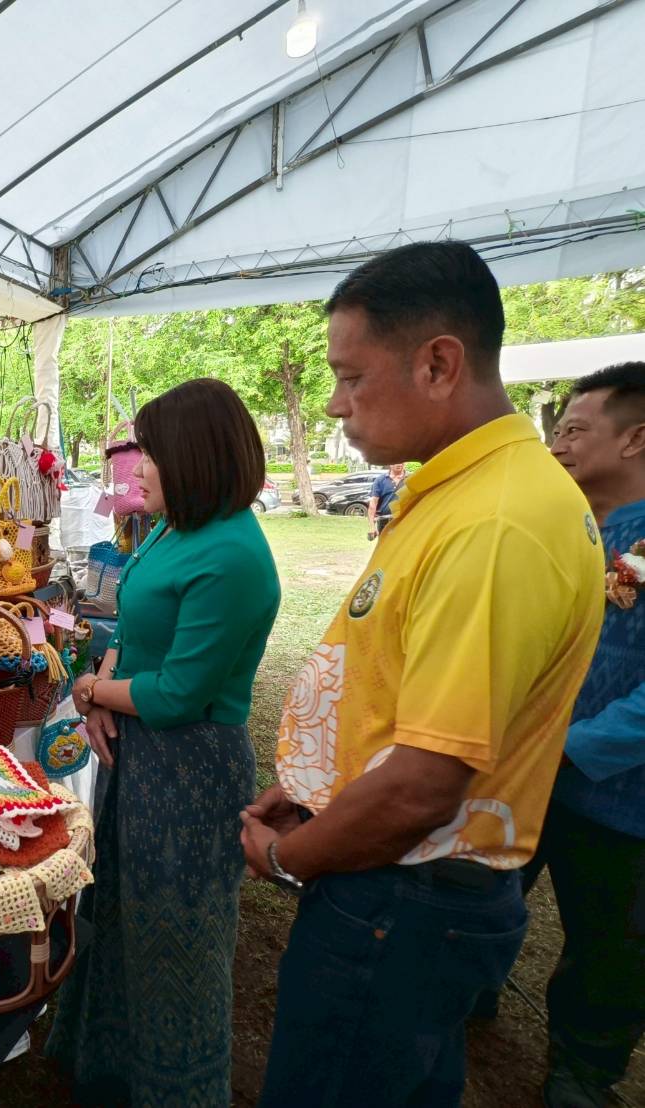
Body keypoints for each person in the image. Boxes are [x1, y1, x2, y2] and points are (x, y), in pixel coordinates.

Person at [241, 242, 603, 1107]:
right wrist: (323, 791)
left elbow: (422, 785)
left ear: (438, 362)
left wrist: (292, 856)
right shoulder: (469, 494)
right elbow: (403, 698)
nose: (334, 405)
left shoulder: (496, 523)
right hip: (404, 890)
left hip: (399, 899)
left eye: (348, 376)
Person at [45, 379, 280, 1106]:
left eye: (148, 452)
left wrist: (88, 693)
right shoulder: (175, 525)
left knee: (176, 938)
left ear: (194, 456)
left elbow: (179, 694)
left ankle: (174, 1088)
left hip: (187, 768)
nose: (134, 467)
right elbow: (133, 631)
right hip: (137, 752)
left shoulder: (231, 554)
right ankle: (109, 1062)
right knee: (119, 911)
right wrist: (103, 685)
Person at [516, 361, 644, 1107]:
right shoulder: (568, 531)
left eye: (573, 430)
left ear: (634, 440)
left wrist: (564, 746)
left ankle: (584, 1067)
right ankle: (469, 991)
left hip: (619, 797)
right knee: (489, 884)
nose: (556, 444)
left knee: (612, 946)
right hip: (529, 771)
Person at [367, 461, 406, 539]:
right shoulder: (380, 480)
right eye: (396, 461)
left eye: (402, 461)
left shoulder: (412, 478)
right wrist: (372, 527)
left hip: (406, 521)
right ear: (390, 463)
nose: (399, 463)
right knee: (385, 548)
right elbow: (373, 503)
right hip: (384, 522)